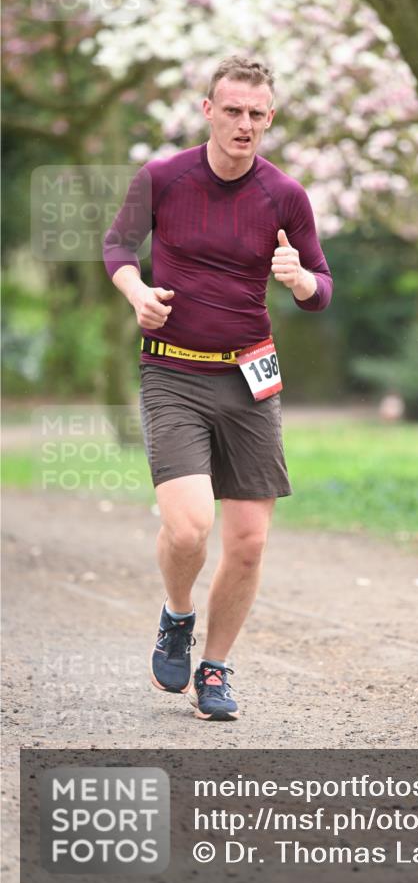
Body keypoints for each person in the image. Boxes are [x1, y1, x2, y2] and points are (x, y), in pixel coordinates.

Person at [103, 56, 333, 721]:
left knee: (250, 541)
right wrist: (135, 292)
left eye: (257, 114)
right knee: (189, 527)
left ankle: (215, 668)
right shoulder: (163, 178)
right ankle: (178, 615)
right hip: (172, 371)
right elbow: (118, 247)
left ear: (270, 118)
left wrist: (298, 282)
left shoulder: (283, 195)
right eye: (232, 110)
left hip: (250, 378)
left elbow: (322, 288)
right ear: (208, 110)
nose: (244, 124)